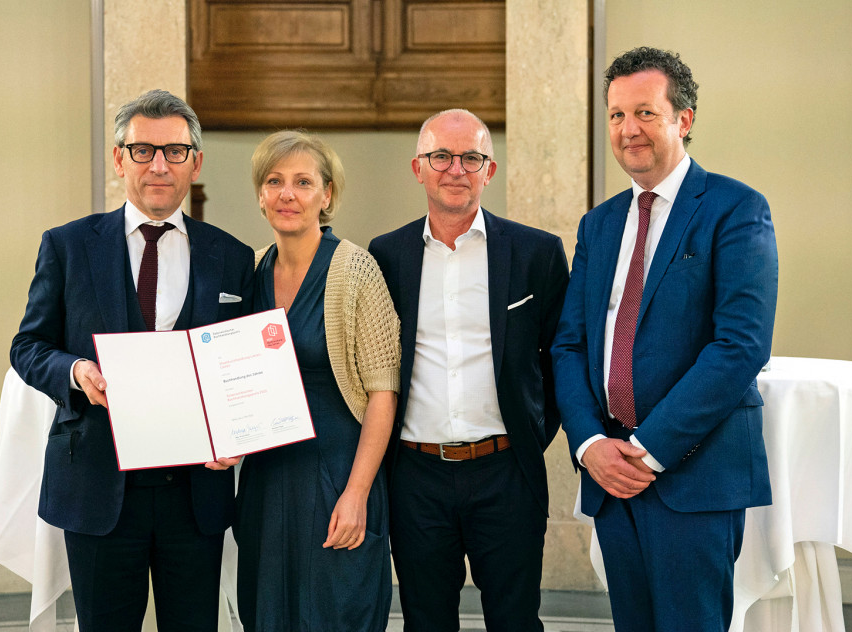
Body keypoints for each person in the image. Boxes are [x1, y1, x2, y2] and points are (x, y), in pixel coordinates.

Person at [551, 47, 779, 631]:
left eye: (646, 113)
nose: (629, 130)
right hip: (610, 474)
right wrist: (590, 445)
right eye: (617, 115)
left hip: (690, 473)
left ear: (685, 119)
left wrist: (647, 449)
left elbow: (740, 347)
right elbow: (570, 346)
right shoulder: (597, 225)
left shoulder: (736, 209)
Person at [10, 89, 254, 631]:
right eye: (143, 150)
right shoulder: (68, 245)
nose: (159, 165)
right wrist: (75, 372)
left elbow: (245, 365)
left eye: (174, 151)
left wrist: (239, 432)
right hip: (98, 483)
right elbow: (27, 347)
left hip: (195, 493)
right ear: (120, 158)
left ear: (196, 161)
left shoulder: (232, 256)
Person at [368, 109, 569, 632]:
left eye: (471, 157)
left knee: (516, 620)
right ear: (418, 168)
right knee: (426, 622)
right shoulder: (386, 256)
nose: (455, 169)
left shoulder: (536, 254)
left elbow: (561, 357)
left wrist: (528, 434)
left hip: (506, 472)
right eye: (441, 156)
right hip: (416, 476)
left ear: (489, 170)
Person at [234, 130, 400, 632]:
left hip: (337, 478)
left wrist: (356, 494)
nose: (288, 194)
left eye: (303, 182)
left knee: (335, 614)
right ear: (261, 195)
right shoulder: (254, 269)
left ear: (327, 195)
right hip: (266, 482)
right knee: (266, 614)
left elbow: (382, 393)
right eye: (275, 181)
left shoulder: (356, 270)